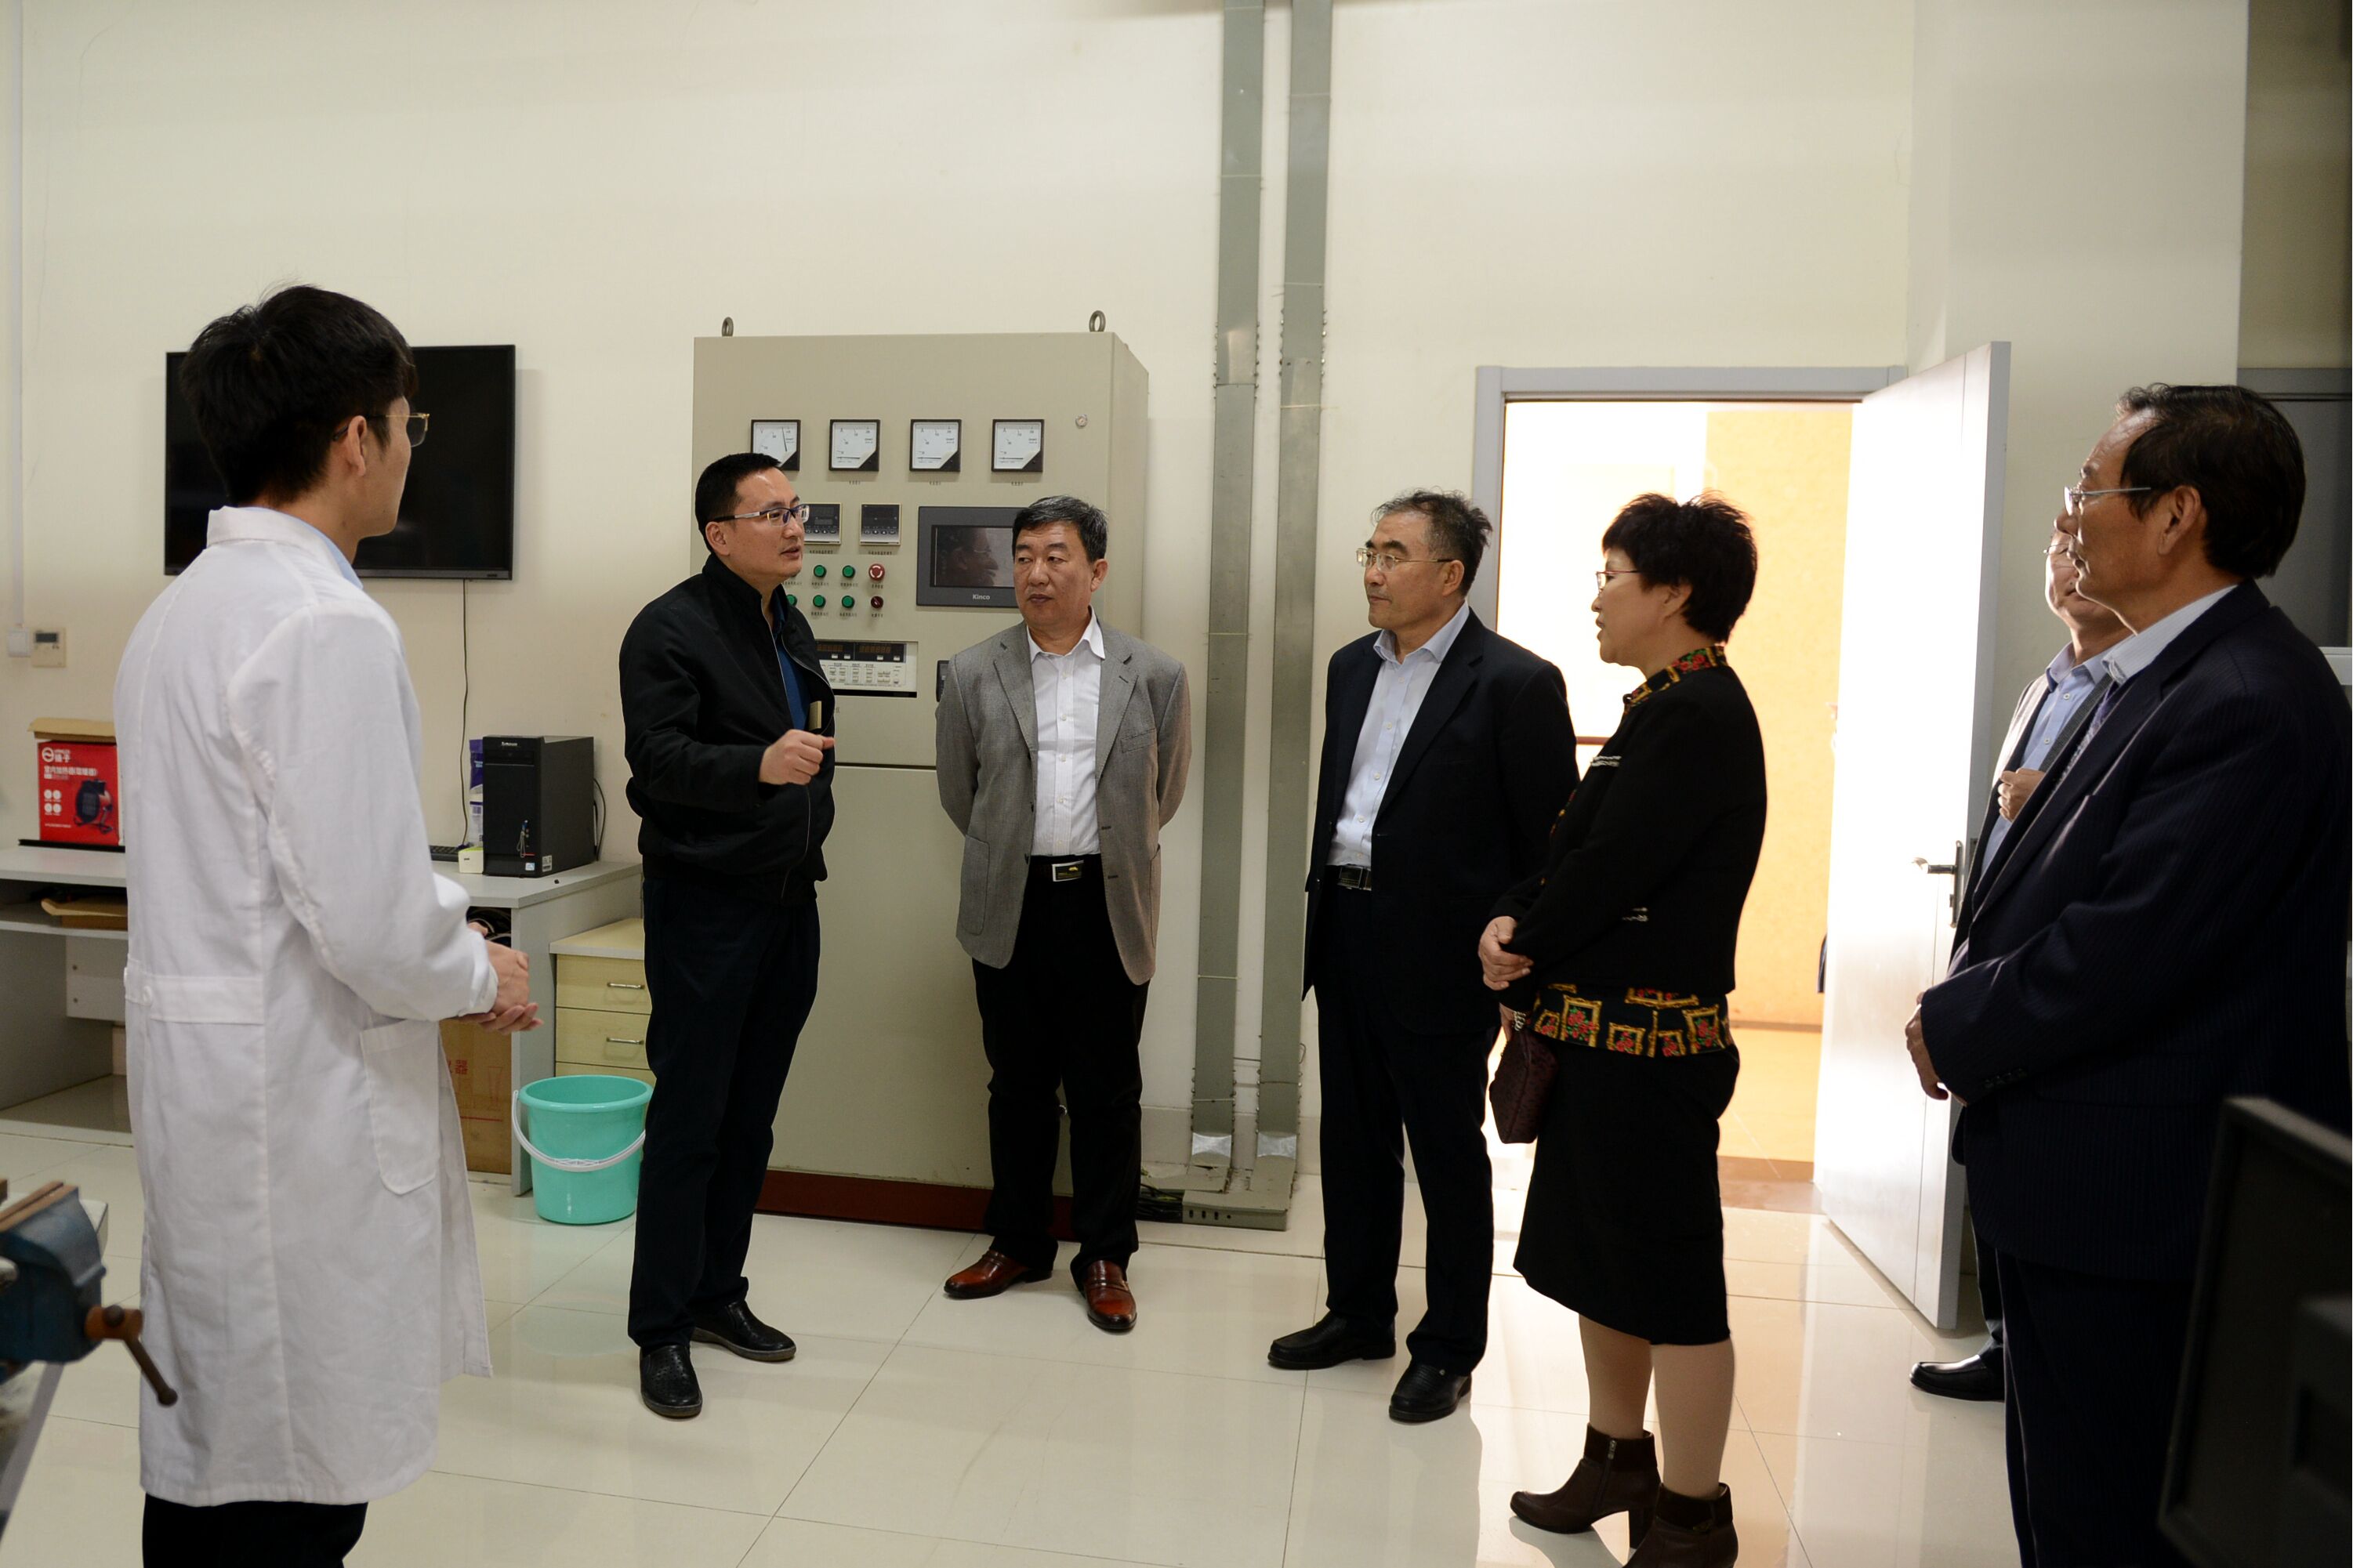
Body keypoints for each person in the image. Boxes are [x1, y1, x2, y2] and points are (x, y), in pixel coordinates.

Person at [115, 285, 540, 1566]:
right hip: (294, 1110)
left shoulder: (183, 608)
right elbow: (370, 918)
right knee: (291, 1485)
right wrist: (481, 966)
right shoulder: (323, 624)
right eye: (410, 422)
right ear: (358, 438)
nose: (412, 447)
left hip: (219, 1098)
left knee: (220, 1456)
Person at [1908, 384, 2351, 1566]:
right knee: (2066, 1503)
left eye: (2088, 489)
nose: (2070, 516)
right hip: (2084, 1183)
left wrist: (1954, 1024)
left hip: (2141, 1201)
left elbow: (2130, 945)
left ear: (2174, 516)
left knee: (2109, 1521)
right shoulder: (2151, 676)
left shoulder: (2243, 697)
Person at [1486, 493, 1765, 1566]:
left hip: (1653, 1060)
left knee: (1671, 1283)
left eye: (1611, 575)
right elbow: (1571, 854)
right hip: (1595, 1045)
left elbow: (1613, 871)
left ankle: (1692, 1513)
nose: (1596, 598)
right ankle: (1616, 1459)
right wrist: (1511, 917)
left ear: (1674, 591)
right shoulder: (1658, 707)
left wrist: (1519, 940)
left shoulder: (1699, 714)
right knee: (1598, 1262)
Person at [1267, 490, 1577, 1422]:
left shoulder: (1514, 683)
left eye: (1391, 555)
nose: (1371, 571)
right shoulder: (1348, 668)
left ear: (1449, 574)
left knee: (1443, 1152)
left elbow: (1548, 845)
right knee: (1352, 1140)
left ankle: (1447, 1347)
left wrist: (1512, 938)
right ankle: (1358, 1312)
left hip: (1441, 954)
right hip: (1344, 927)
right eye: (1369, 552)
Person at [934, 495, 1191, 1331]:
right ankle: (1017, 1241)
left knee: (1107, 1091)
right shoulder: (973, 671)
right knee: (1016, 1085)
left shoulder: (1154, 674)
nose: (1036, 573)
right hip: (1011, 903)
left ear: (1096, 570)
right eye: (1023, 557)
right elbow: (960, 793)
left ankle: (1105, 1253)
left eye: (1055, 556)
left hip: (1107, 905)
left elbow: (1164, 793)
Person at [618, 451, 836, 1418]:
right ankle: (660, 1329)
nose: (794, 527)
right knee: (691, 1122)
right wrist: (756, 765)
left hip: (787, 900)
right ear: (718, 534)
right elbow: (657, 762)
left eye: (796, 509)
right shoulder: (669, 629)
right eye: (771, 513)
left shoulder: (783, 619)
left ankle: (717, 1294)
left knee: (749, 1119)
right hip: (705, 907)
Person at [1912, 523, 2130, 1403]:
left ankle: (2028, 1349)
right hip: (1995, 956)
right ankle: (2005, 1341)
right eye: (2057, 549)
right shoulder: (2045, 684)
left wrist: (2051, 802)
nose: (2070, 566)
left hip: (2059, 966)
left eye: (2084, 546)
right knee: (1988, 1150)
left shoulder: (2134, 691)